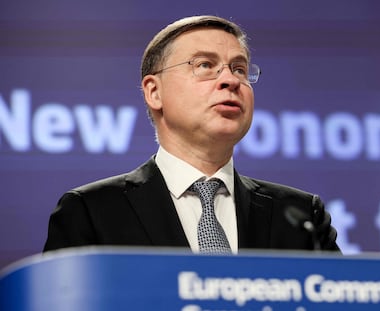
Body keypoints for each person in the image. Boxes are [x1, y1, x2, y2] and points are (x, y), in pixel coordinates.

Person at [43, 15, 339, 254]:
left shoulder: (301, 217)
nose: (230, 80)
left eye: (239, 69)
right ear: (154, 91)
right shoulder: (92, 211)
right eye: (205, 65)